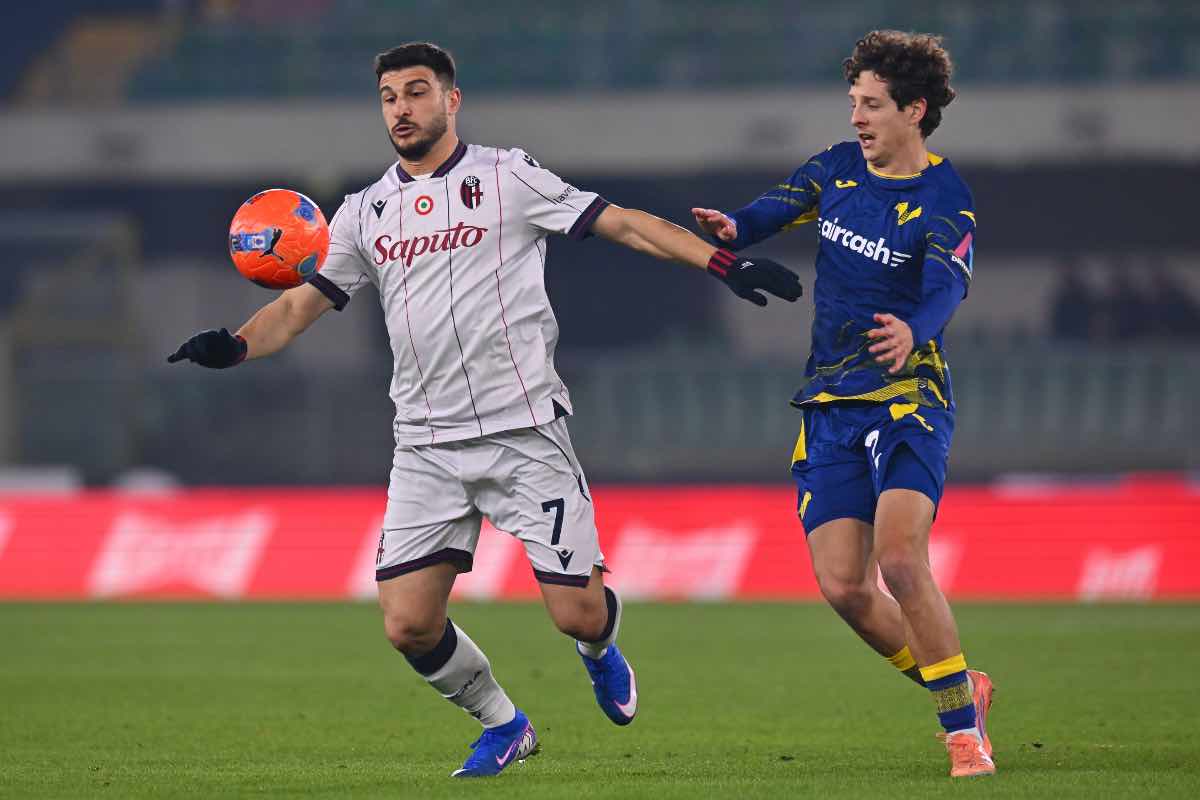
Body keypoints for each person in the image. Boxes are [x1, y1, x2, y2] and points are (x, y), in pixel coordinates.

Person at [167, 42, 801, 778]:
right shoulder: (364, 212)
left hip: (524, 432)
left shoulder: (508, 177)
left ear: (451, 100)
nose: (401, 109)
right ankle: (505, 724)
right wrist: (236, 347)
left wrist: (722, 263)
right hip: (426, 447)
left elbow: (622, 222)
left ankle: (597, 648)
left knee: (578, 614)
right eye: (389, 98)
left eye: (416, 92)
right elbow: (300, 305)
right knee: (407, 624)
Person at [692, 30, 994, 778]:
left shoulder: (944, 199)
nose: (857, 117)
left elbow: (947, 287)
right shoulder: (836, 169)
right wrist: (737, 227)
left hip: (906, 398)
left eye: (871, 104)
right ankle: (963, 683)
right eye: (853, 102)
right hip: (829, 403)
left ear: (914, 110)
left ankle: (963, 733)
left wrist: (912, 330)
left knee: (898, 554)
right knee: (843, 586)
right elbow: (779, 204)